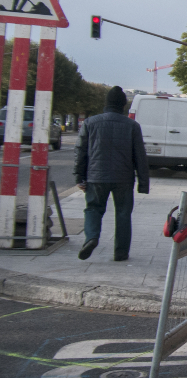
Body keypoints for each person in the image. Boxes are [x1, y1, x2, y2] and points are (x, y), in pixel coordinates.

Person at [74, 86, 150, 262]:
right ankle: (121, 252)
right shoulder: (132, 126)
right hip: (123, 178)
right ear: (123, 105)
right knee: (123, 213)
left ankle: (92, 237)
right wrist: (143, 184)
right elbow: (140, 156)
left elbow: (80, 151)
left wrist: (79, 177)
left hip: (96, 176)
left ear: (106, 103)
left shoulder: (90, 123)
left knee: (93, 208)